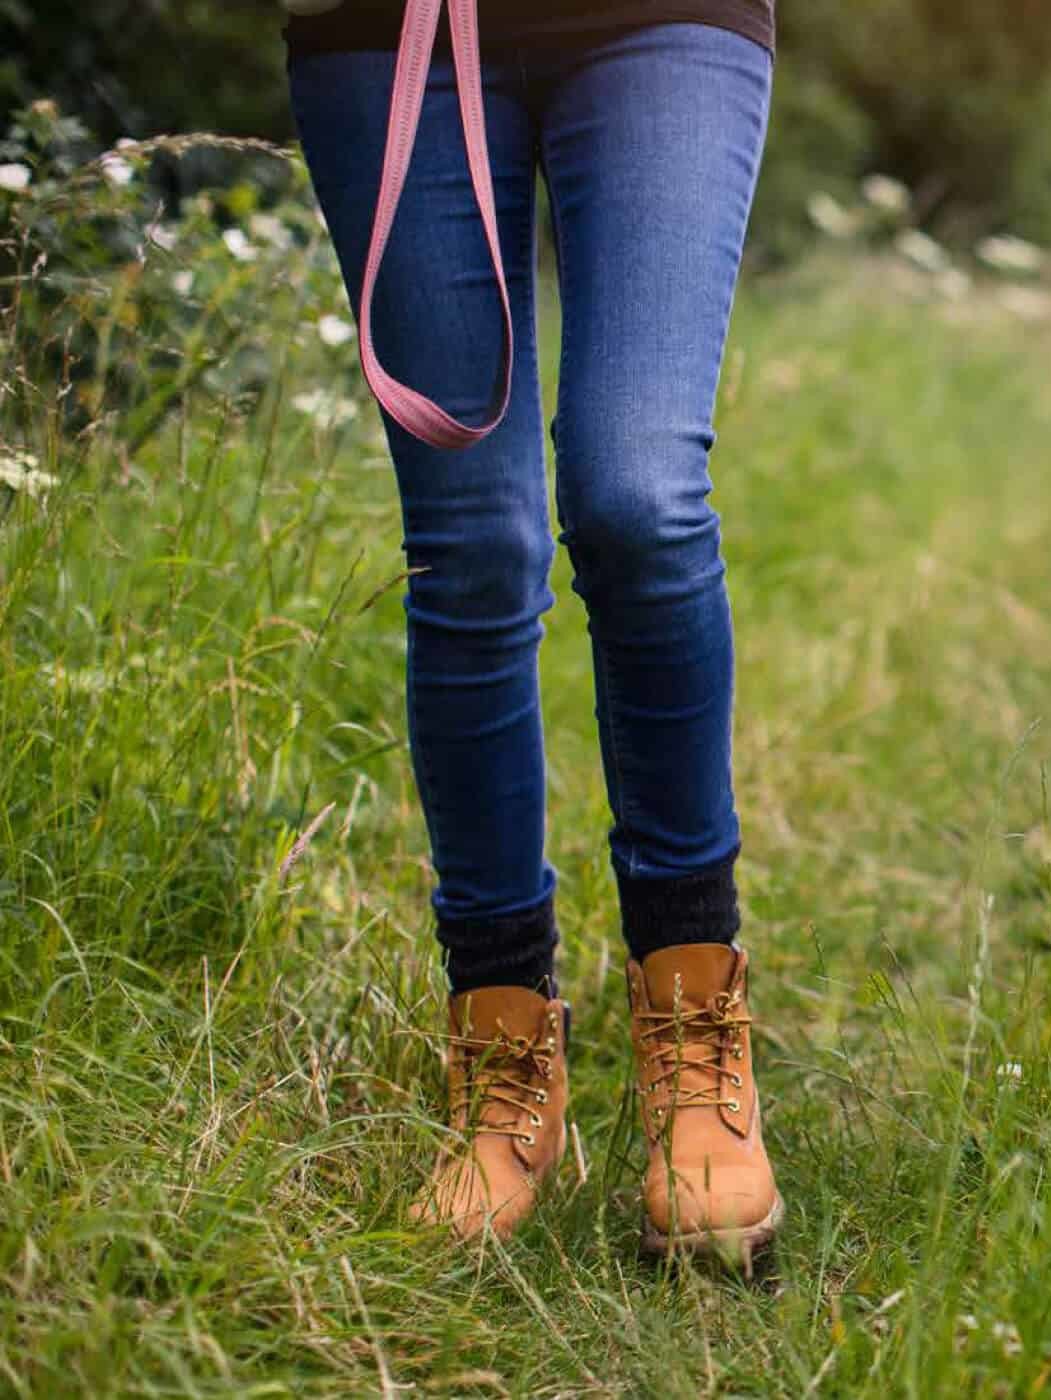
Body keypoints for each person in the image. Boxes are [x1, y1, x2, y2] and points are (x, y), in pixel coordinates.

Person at [282, 0, 781, 1263]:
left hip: (664, 21)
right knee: (473, 540)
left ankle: (691, 1029)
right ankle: (501, 1039)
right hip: (385, 28)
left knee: (640, 495)